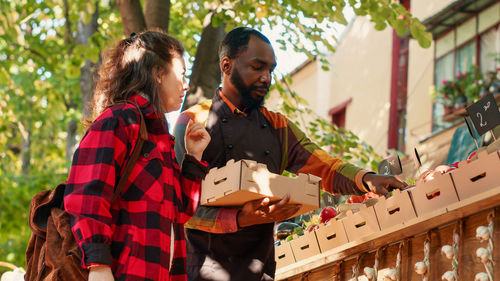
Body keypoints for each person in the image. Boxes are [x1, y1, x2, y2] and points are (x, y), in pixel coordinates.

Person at [174, 27, 407, 281]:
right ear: (227, 65)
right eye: (257, 67)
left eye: (271, 70)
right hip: (203, 272)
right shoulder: (193, 122)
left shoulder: (278, 126)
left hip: (261, 271)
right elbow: (179, 208)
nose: (266, 78)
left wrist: (366, 178)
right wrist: (241, 218)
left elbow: (325, 166)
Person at [64, 30, 211, 281]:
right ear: (157, 73)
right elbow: (87, 196)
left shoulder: (160, 139)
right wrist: (99, 266)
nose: (186, 85)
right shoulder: (119, 120)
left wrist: (193, 158)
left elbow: (180, 212)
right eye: (181, 74)